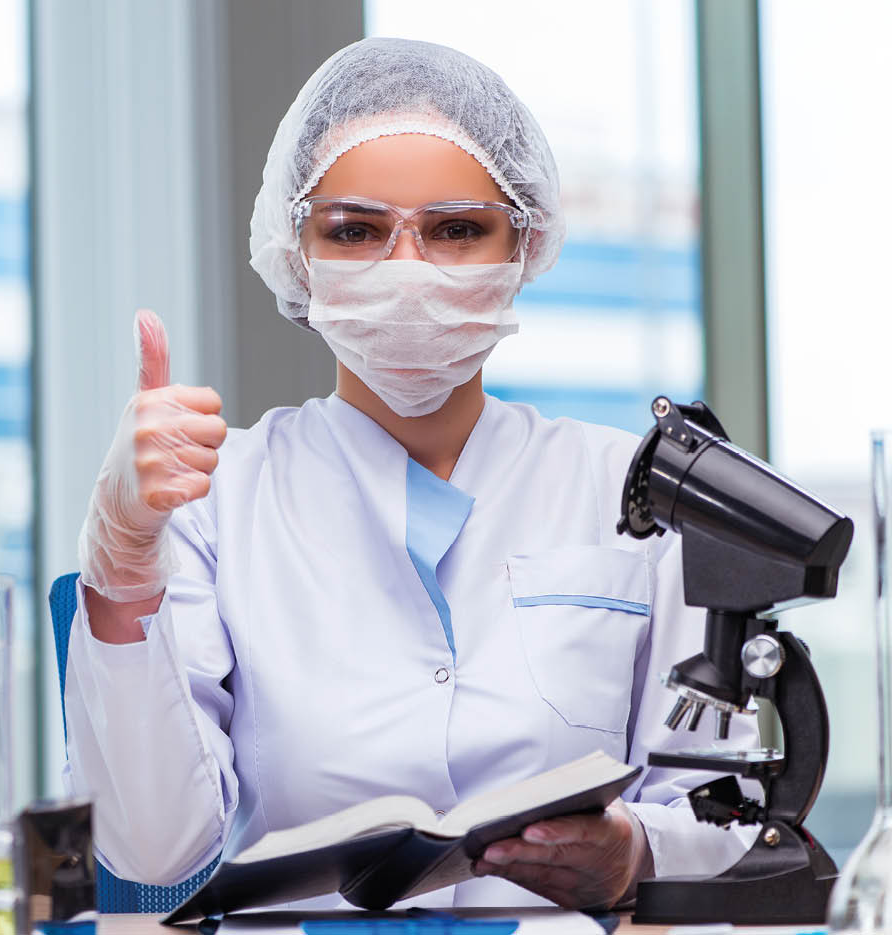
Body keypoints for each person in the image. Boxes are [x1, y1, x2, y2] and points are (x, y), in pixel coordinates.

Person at [64, 37, 759, 910]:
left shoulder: (630, 490)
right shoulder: (219, 498)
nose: (405, 270)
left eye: (457, 229)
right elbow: (154, 849)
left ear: (526, 242)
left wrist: (635, 853)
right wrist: (125, 563)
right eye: (354, 231)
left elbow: (723, 815)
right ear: (296, 250)